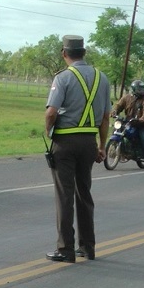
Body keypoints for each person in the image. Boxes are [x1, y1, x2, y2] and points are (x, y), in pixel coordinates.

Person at [44, 35, 111, 263]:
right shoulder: (102, 78)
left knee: (65, 195)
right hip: (89, 142)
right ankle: (88, 247)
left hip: (65, 142)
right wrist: (102, 146)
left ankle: (66, 249)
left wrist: (48, 131)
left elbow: (51, 112)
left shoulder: (63, 78)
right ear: (84, 53)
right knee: (84, 193)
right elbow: (104, 118)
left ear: (64, 53)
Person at [112, 79, 144, 170]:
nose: (141, 91)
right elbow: (118, 105)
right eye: (139, 89)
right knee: (116, 130)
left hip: (142, 124)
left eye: (142, 88)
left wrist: (142, 119)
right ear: (134, 89)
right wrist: (114, 112)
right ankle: (121, 151)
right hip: (129, 122)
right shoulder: (127, 97)